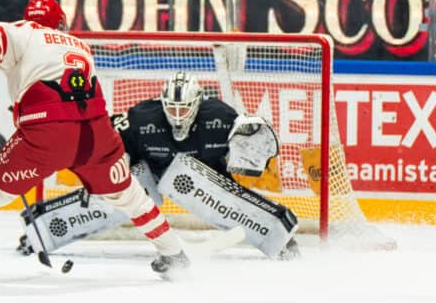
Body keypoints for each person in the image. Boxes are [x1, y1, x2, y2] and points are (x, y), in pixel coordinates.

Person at [0, 0, 191, 279]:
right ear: (61, 23)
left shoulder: (23, 31)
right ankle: (174, 253)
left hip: (47, 135)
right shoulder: (80, 46)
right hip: (96, 133)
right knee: (129, 194)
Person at [19, 70, 301, 260]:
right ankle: (41, 231)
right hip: (151, 172)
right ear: (162, 102)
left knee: (215, 194)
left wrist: (250, 149)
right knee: (119, 195)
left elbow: (248, 148)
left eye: (184, 108)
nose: (178, 115)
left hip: (208, 176)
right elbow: (108, 141)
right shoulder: (143, 118)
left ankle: (278, 237)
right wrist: (101, 175)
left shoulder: (221, 117)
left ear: (197, 103)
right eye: (172, 108)